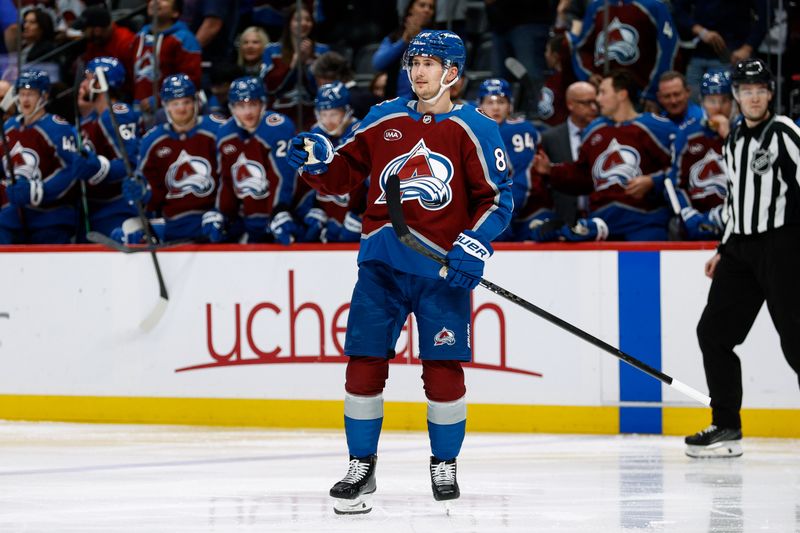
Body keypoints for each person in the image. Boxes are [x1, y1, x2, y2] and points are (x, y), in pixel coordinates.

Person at [286, 30, 512, 513]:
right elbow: (342, 172)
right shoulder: (383, 116)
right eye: (414, 62)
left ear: (452, 71)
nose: (418, 71)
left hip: (440, 271)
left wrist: (473, 244)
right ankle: (360, 465)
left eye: (429, 63)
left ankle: (445, 462)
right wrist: (317, 165)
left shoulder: (476, 128)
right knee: (364, 362)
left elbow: (498, 200)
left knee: (443, 369)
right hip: (382, 266)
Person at [685, 58, 800, 458]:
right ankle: (727, 425)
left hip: (783, 246)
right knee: (713, 333)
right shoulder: (734, 138)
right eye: (745, 91)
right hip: (740, 250)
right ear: (736, 96)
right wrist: (723, 247)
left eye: (760, 90)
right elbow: (735, 199)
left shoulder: (784, 132)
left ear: (770, 93)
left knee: (797, 343)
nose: (753, 98)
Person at [533, 70, 677, 241]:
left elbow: (680, 170)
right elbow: (583, 176)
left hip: (643, 222)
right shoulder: (594, 130)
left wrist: (653, 182)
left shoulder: (656, 128)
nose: (598, 99)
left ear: (622, 94)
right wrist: (551, 170)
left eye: (603, 92)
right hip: (603, 224)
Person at [0, 69, 103, 244]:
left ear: (44, 97)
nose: (25, 99)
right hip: (18, 213)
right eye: (22, 94)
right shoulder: (9, 126)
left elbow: (73, 169)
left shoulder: (57, 127)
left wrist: (40, 190)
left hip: (52, 216)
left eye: (31, 94)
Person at [119, 74, 222, 243]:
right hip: (174, 225)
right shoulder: (152, 141)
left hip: (213, 220)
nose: (181, 109)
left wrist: (223, 213)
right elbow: (152, 191)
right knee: (128, 231)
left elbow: (231, 180)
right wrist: (143, 193)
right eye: (175, 104)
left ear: (196, 103)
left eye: (186, 102)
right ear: (165, 106)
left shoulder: (217, 131)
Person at [209, 76, 297, 244]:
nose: (247, 112)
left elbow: (284, 176)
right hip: (247, 220)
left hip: (283, 217)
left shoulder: (278, 127)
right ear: (232, 108)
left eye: (252, 105)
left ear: (262, 105)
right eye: (241, 106)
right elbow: (226, 181)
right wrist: (221, 213)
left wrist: (280, 211)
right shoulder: (225, 134)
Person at [569, 0, 678, 111]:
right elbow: (581, 49)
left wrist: (653, 92)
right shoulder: (597, 7)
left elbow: (667, 50)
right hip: (603, 94)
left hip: (641, 97)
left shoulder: (654, 6)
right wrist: (589, 75)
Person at [476, 78, 549, 241]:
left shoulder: (519, 130)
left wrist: (502, 215)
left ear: (510, 105)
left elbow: (524, 180)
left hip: (529, 212)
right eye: (490, 102)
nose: (495, 107)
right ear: (479, 105)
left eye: (501, 102)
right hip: (498, 210)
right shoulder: (475, 133)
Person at [79, 57, 141, 238]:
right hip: (96, 208)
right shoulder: (91, 119)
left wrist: (99, 167)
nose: (83, 84)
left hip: (117, 209)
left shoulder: (116, 114)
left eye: (88, 78)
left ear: (100, 83)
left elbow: (131, 162)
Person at [668, 69, 731, 240]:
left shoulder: (742, 133)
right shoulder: (687, 134)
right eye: (712, 101)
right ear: (702, 102)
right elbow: (675, 183)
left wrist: (729, 137)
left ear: (734, 102)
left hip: (734, 218)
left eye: (724, 100)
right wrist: (687, 213)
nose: (718, 107)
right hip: (697, 217)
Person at [300, 81, 366, 243]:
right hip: (330, 211)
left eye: (334, 114)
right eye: (324, 114)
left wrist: (362, 212)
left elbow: (374, 180)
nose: (328, 120)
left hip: (355, 214)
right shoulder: (315, 135)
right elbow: (308, 178)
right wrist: (315, 206)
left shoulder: (362, 133)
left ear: (346, 111)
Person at [672, 0, 769, 102]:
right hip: (698, 52)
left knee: (723, 105)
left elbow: (766, 15)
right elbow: (678, 10)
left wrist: (748, 47)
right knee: (692, 104)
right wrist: (699, 30)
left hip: (730, 55)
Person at [539, 80, 599, 226]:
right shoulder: (550, 138)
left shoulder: (604, 133)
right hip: (563, 219)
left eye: (595, 102)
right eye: (586, 103)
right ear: (570, 104)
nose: (593, 108)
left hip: (600, 217)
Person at [131, 0, 202, 118]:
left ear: (175, 13)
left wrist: (159, 99)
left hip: (169, 110)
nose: (156, 2)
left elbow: (191, 79)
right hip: (138, 108)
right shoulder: (138, 38)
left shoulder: (184, 38)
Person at [372, 0, 435, 99]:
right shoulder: (394, 37)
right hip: (394, 101)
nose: (427, 10)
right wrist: (404, 42)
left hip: (424, 102)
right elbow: (378, 63)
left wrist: (417, 38)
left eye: (431, 7)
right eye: (422, 5)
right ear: (410, 8)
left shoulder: (438, 38)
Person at [77, 4, 135, 68]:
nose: (83, 33)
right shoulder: (94, 43)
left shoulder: (125, 43)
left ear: (97, 30)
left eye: (84, 30)